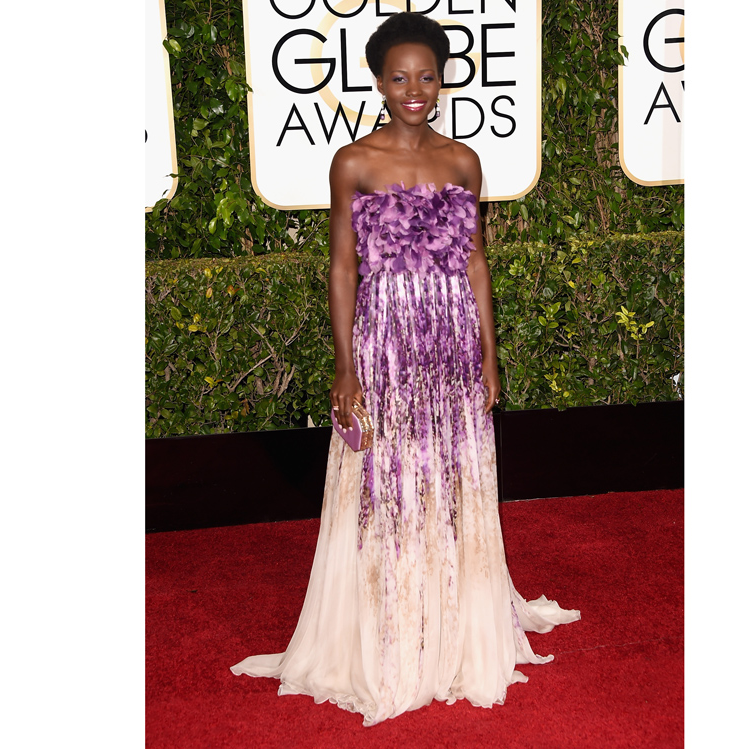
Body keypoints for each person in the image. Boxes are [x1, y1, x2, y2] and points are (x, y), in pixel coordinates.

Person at [231, 13, 579, 726]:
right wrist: (345, 365)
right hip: (385, 341)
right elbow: (341, 267)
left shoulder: (463, 162)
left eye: (426, 76)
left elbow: (476, 261)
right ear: (378, 82)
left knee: (450, 477)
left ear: (443, 80)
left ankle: (453, 617)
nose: (413, 89)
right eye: (399, 77)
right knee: (389, 480)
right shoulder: (353, 162)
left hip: (451, 339)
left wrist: (489, 352)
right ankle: (391, 623)